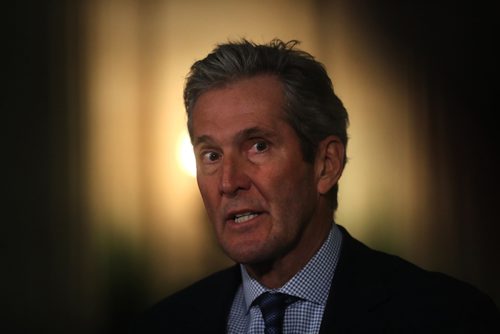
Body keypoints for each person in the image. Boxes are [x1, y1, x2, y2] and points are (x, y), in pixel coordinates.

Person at [134, 39, 499, 333]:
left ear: (326, 165)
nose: (229, 182)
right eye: (211, 155)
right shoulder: (164, 324)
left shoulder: (446, 317)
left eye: (258, 146)